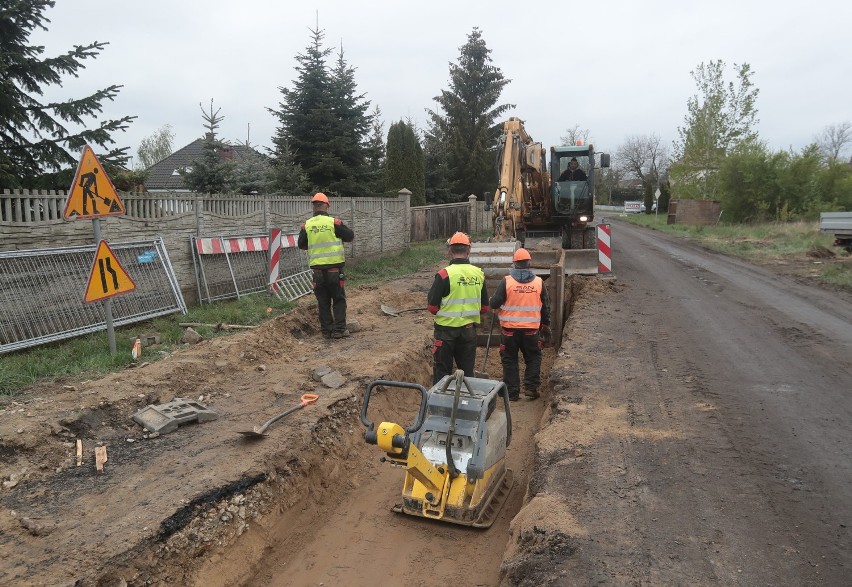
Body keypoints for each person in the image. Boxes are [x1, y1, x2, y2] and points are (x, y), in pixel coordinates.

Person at [427, 232, 489, 384]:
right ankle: (466, 403)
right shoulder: (479, 274)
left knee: (443, 371)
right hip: (468, 331)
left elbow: (432, 307)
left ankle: (442, 404)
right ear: (468, 251)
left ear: (450, 251)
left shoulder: (444, 275)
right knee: (467, 372)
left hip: (446, 331)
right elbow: (485, 307)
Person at [489, 248, 551, 401]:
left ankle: (512, 392)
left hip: (509, 331)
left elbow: (495, 303)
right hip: (531, 331)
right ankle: (530, 387)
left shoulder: (507, 281)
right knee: (533, 357)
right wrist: (546, 325)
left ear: (514, 264)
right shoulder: (538, 283)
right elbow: (546, 307)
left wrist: (492, 302)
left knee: (509, 359)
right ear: (529, 264)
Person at [298, 192, 355, 339]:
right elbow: (350, 236)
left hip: (317, 271)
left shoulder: (307, 225)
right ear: (327, 206)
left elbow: (302, 245)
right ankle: (339, 330)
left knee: (323, 301)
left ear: (314, 207)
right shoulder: (333, 222)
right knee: (338, 299)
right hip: (334, 270)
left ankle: (326, 331)